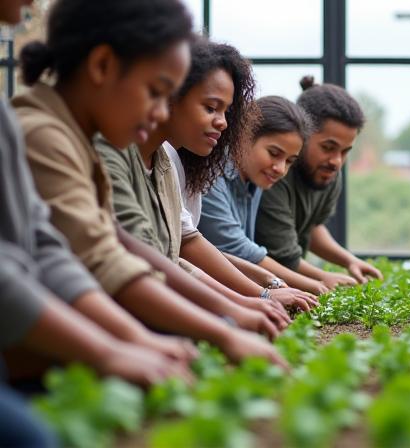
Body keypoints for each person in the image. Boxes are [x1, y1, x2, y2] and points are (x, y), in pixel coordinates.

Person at [12, 0, 288, 368]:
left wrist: (234, 310)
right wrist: (223, 322)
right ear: (103, 66)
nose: (161, 113)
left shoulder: (94, 143)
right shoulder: (47, 136)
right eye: (157, 93)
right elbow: (104, 260)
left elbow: (126, 246)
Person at [96, 38, 304, 326]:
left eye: (226, 112)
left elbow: (173, 256)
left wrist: (254, 298)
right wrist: (254, 299)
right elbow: (150, 257)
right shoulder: (114, 150)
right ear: (170, 95)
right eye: (211, 108)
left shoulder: (165, 163)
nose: (223, 123)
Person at [254, 76, 383, 291]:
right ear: (302, 134)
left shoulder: (329, 172)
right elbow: (283, 256)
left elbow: (312, 226)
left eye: (344, 151)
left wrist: (349, 261)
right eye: (328, 147)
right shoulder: (274, 174)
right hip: (262, 285)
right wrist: (322, 277)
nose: (336, 161)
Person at [199, 95, 322, 303]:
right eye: (274, 153)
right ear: (244, 135)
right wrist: (315, 284)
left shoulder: (254, 179)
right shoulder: (209, 174)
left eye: (289, 161)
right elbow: (238, 249)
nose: (280, 168)